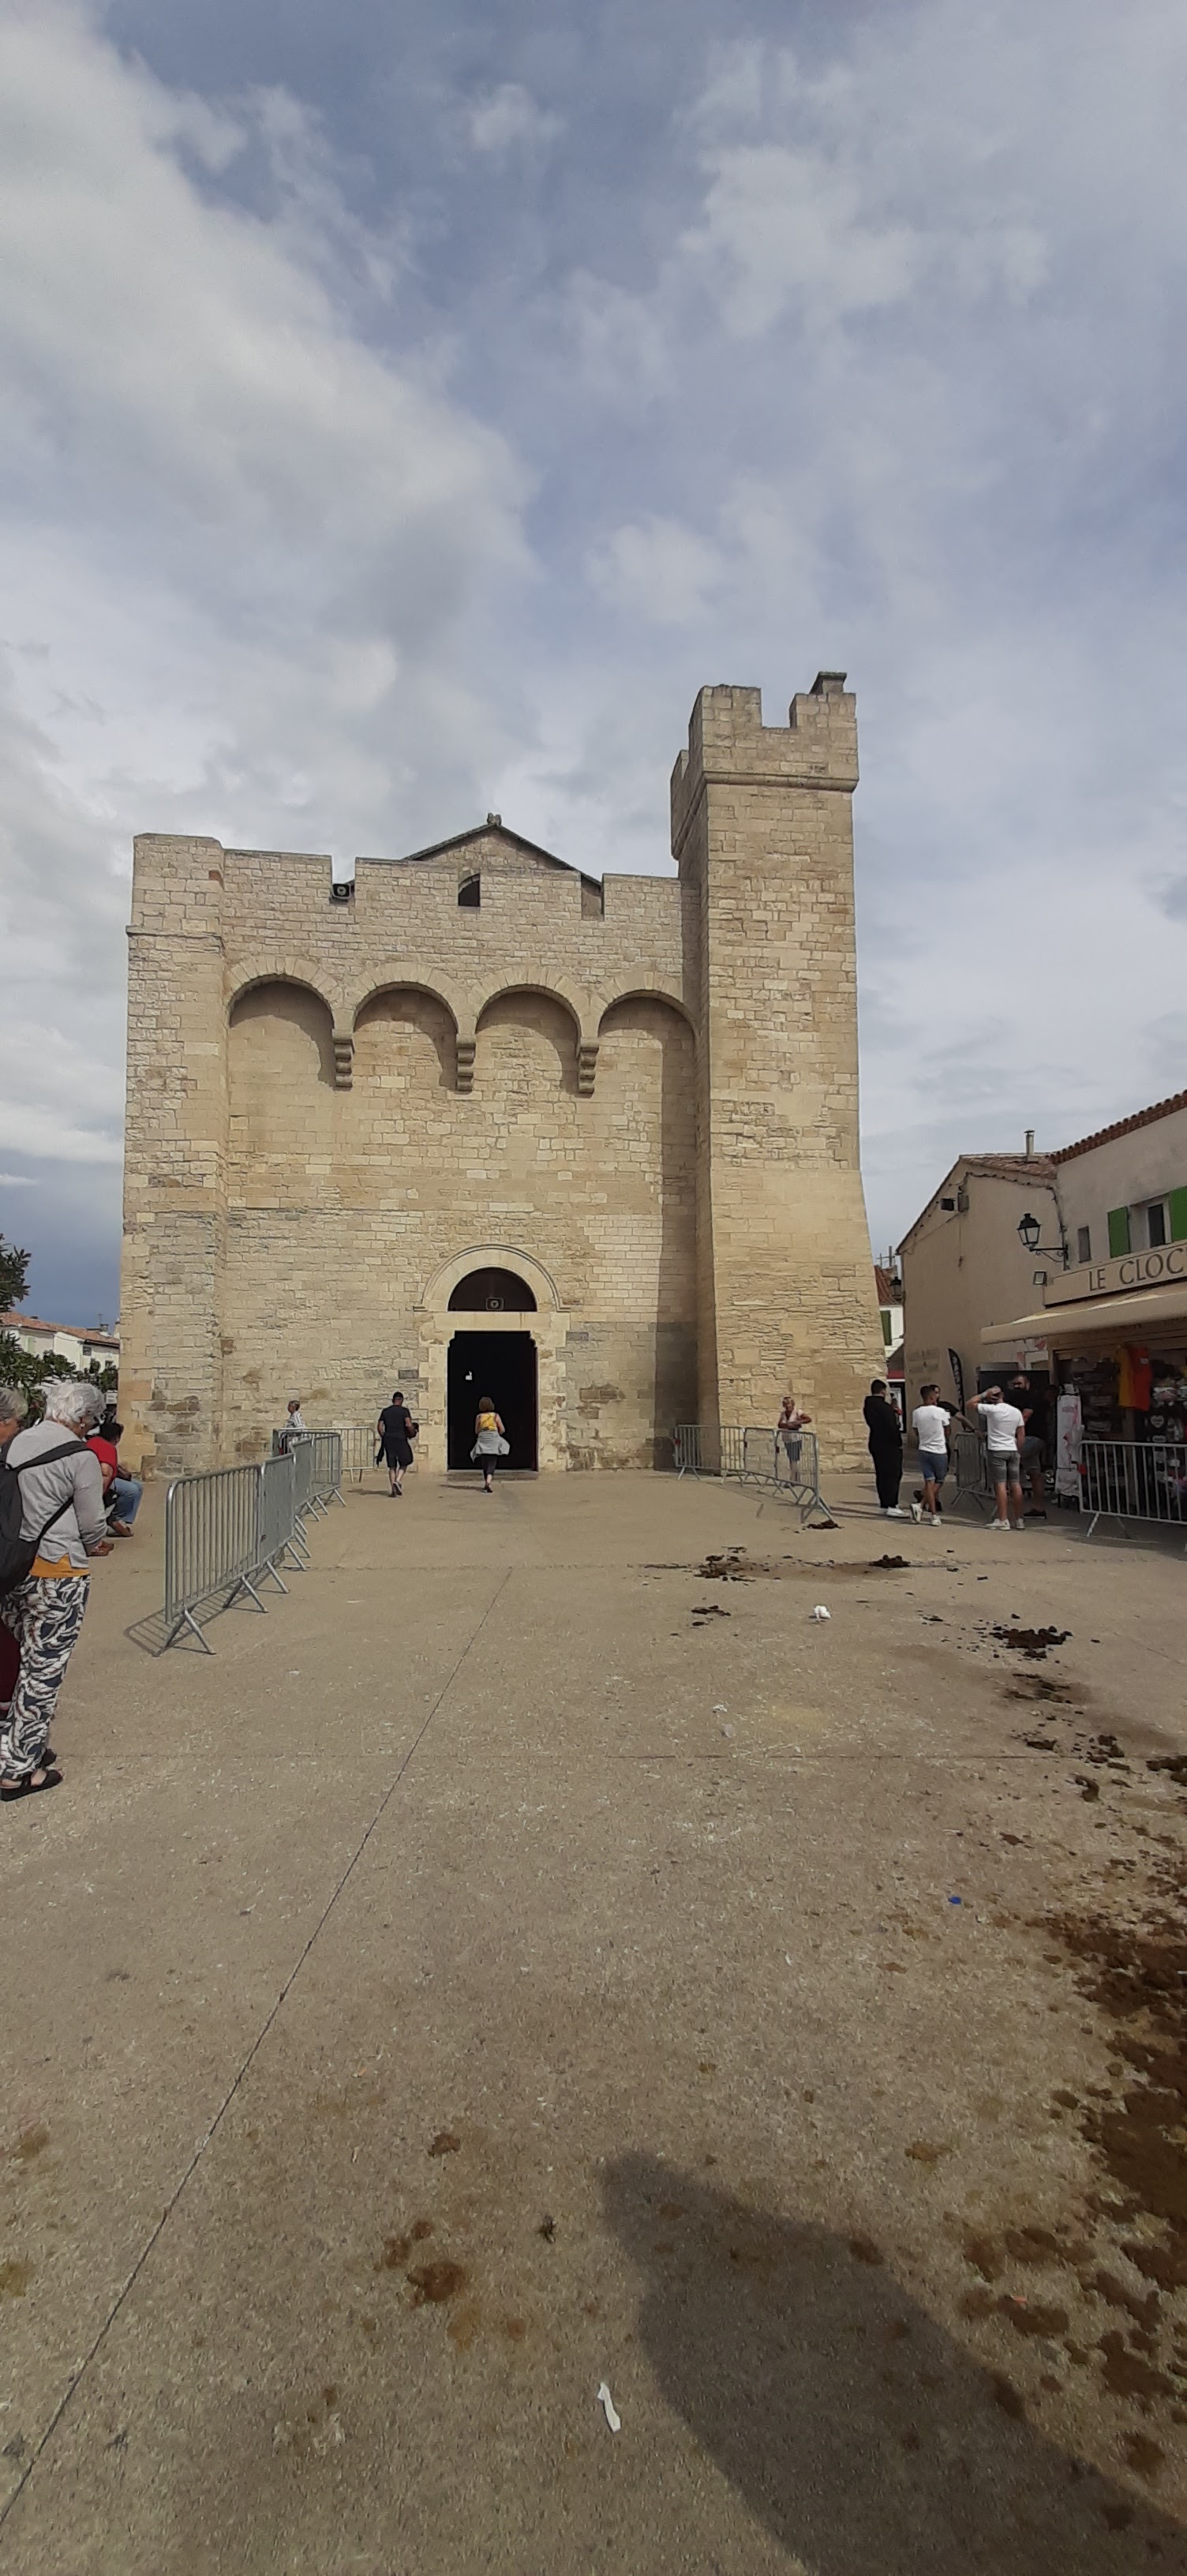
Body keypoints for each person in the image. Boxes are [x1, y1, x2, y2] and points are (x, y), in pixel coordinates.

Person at [0, 1380, 112, 1797]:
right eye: (91, 1421)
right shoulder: (79, 1456)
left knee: (23, 1662)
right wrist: (94, 1541)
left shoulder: (16, 1443)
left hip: (12, 1569)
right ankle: (16, 1771)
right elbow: (92, 1524)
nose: (90, 1428)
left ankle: (25, 1744)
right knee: (43, 1669)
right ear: (81, 1418)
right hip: (58, 1571)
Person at [968, 1383, 1026, 1531]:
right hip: (1012, 1449)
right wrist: (1019, 1451)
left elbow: (970, 1403)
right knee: (1016, 1483)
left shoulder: (992, 1410)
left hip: (997, 1450)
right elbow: (1021, 1434)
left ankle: (1003, 1519)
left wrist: (984, 1394)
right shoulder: (1016, 1412)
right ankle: (1019, 1519)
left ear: (991, 1398)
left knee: (1000, 1484)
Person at [87, 1414, 143, 1535]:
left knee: (138, 1486)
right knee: (132, 1490)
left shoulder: (94, 1442)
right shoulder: (107, 1447)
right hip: (97, 1479)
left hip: (97, 1476)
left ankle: (124, 1520)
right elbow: (106, 1472)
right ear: (116, 1438)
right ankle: (116, 1518)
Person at [910, 1383, 952, 1523]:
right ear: (932, 1397)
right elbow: (947, 1429)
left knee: (929, 1481)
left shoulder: (916, 1412)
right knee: (939, 1480)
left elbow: (916, 1431)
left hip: (923, 1449)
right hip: (939, 1450)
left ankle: (932, 1513)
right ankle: (923, 1506)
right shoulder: (940, 1411)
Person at [1008, 1374, 1048, 1518]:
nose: (1016, 1387)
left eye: (1019, 1383)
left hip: (1031, 1438)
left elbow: (1025, 1417)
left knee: (1007, 1464)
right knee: (1034, 1473)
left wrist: (1009, 1431)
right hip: (1031, 1438)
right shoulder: (1018, 1398)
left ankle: (1010, 1511)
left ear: (1027, 1383)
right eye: (1014, 1384)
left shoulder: (1033, 1397)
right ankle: (1038, 1509)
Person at [863, 1379, 906, 1515]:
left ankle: (884, 1503)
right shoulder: (884, 1407)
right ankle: (892, 1504)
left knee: (881, 1474)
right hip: (889, 1444)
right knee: (893, 1474)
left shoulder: (869, 1405)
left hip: (876, 1441)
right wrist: (898, 1441)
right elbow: (891, 1426)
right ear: (883, 1391)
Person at [376, 1390, 416, 1496]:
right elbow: (408, 1424)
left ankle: (393, 1490)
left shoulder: (385, 1411)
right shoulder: (404, 1411)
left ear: (392, 1400)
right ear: (401, 1400)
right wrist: (412, 1432)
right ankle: (397, 1481)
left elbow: (380, 1428)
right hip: (401, 1439)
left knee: (392, 1465)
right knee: (405, 1461)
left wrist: (385, 1437)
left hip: (389, 1440)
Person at [472, 1395, 507, 1493]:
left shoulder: (479, 1417)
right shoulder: (495, 1416)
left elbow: (476, 1431)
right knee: (492, 1461)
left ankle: (486, 1483)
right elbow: (502, 1429)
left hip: (483, 1440)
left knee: (485, 1461)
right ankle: (488, 1483)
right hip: (493, 1440)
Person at [777, 1392, 811, 1476]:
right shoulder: (783, 1414)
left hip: (796, 1438)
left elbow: (808, 1419)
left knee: (794, 1458)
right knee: (791, 1457)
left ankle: (793, 1477)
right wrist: (786, 1425)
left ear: (792, 1404)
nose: (787, 1406)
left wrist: (798, 1422)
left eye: (789, 1403)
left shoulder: (798, 1412)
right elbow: (779, 1424)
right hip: (787, 1438)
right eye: (785, 1404)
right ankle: (796, 1476)